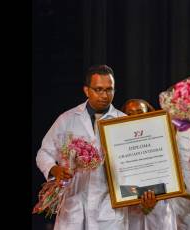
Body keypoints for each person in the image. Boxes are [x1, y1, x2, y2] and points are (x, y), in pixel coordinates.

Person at [35, 65, 129, 230]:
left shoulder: (124, 121)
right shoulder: (67, 119)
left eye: (109, 90)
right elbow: (44, 153)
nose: (104, 95)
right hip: (73, 209)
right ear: (86, 90)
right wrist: (55, 169)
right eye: (98, 89)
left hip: (109, 211)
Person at [122, 99, 190, 230]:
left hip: (162, 209)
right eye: (129, 114)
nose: (135, 117)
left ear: (149, 114)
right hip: (133, 212)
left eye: (140, 112)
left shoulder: (163, 138)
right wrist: (138, 197)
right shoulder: (118, 146)